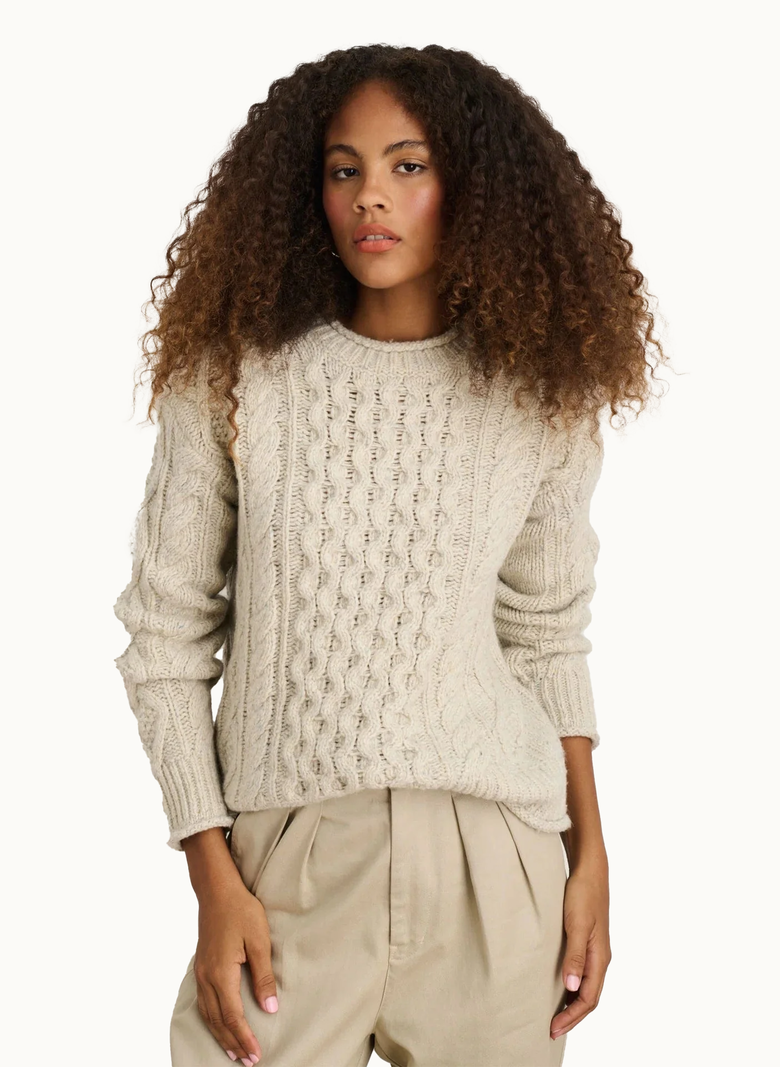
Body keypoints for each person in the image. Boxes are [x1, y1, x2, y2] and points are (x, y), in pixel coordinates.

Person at [112, 44, 666, 1067]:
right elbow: (164, 638)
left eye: (408, 165)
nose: (370, 194)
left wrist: (590, 858)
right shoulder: (234, 377)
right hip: (284, 870)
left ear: (477, 190)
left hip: (494, 870)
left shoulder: (539, 396)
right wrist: (211, 873)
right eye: (344, 168)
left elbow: (545, 634)